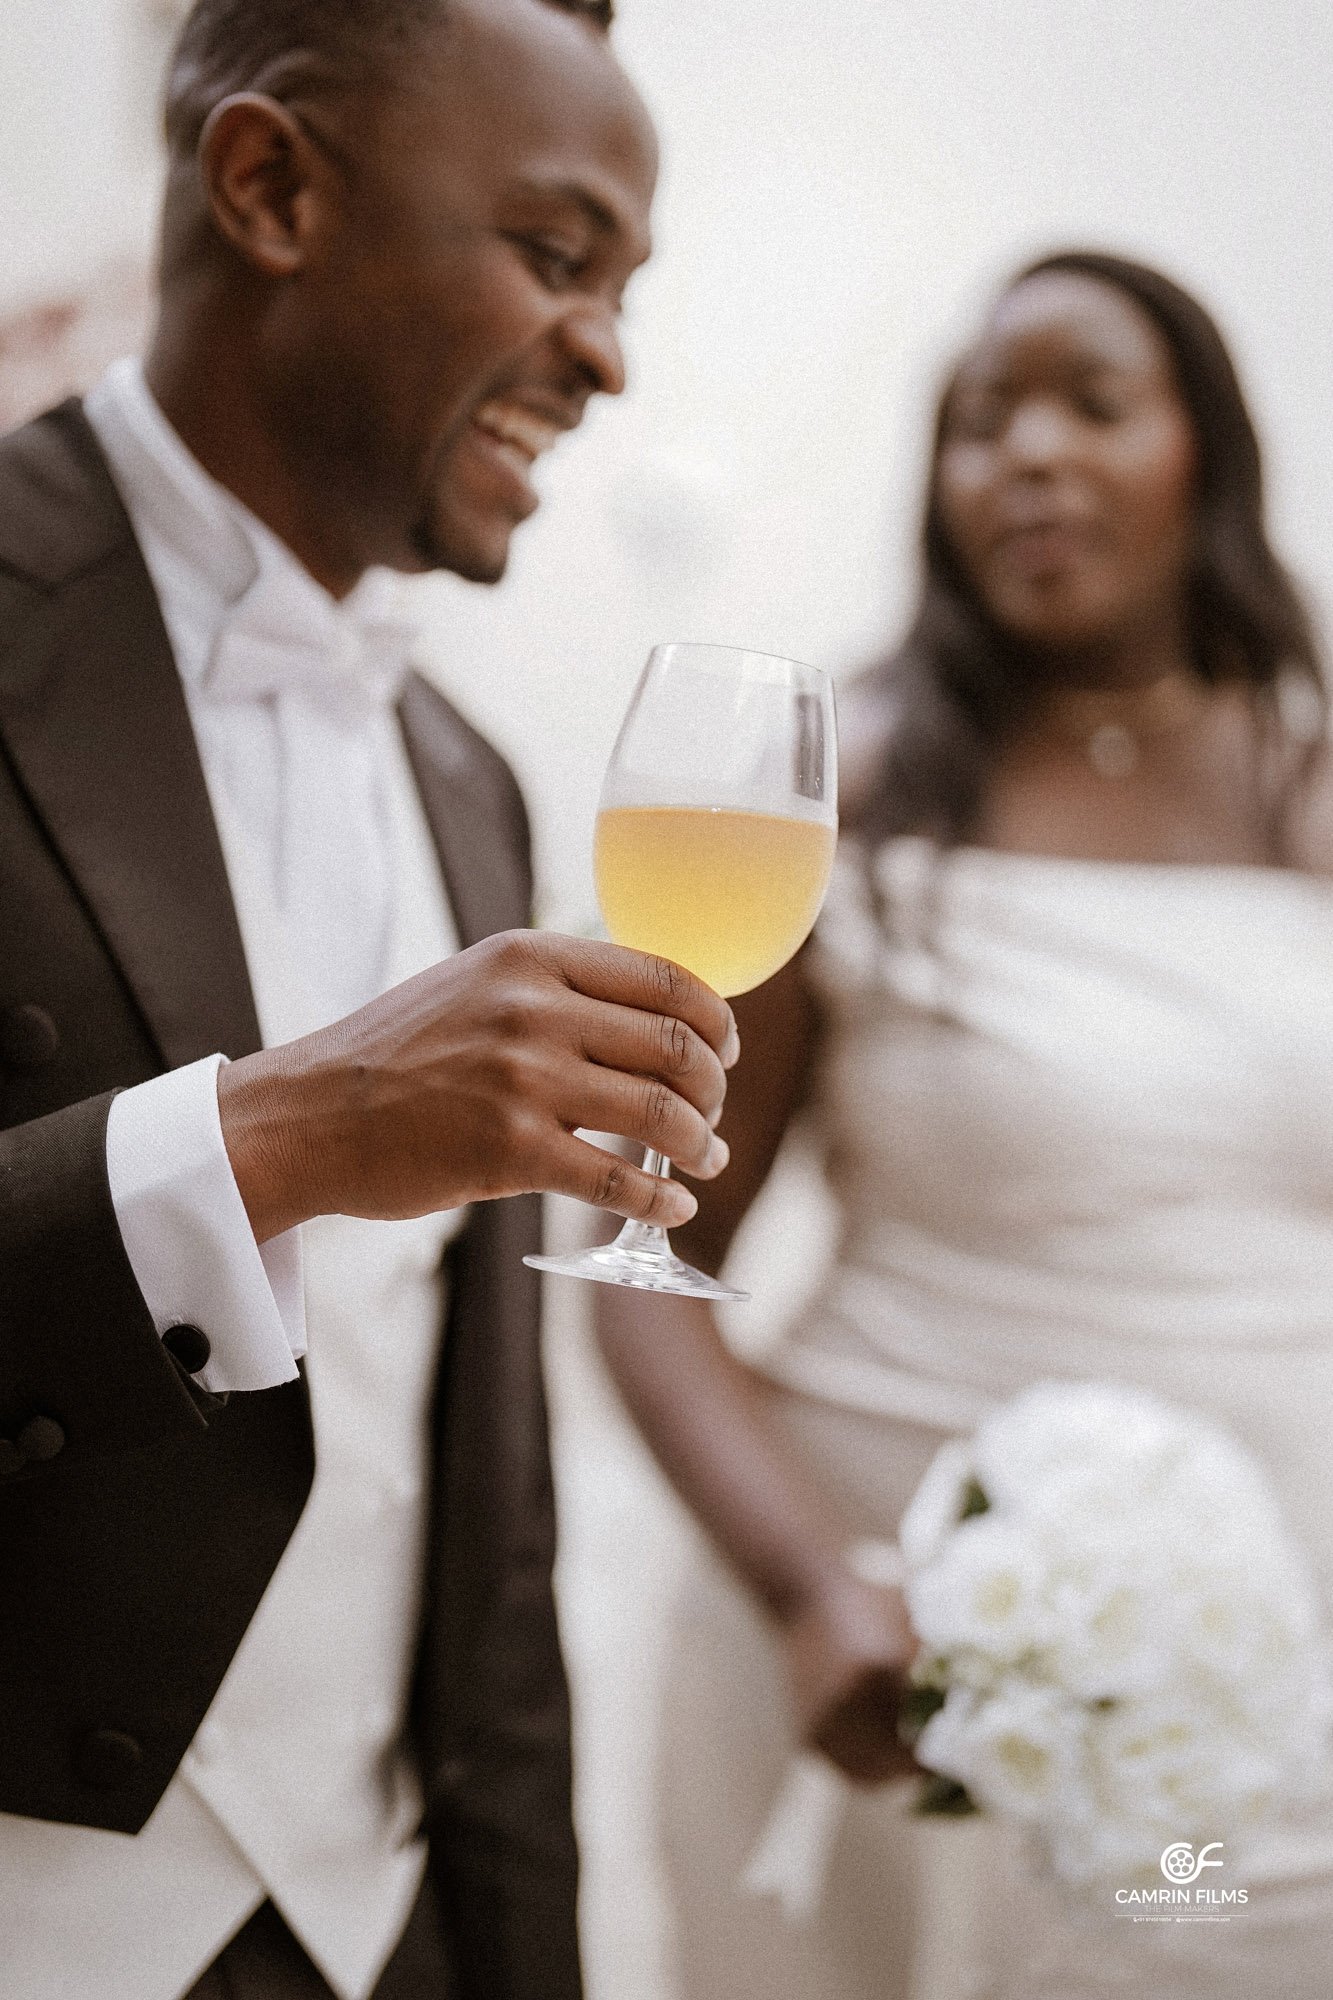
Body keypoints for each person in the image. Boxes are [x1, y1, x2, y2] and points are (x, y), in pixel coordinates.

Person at [0, 4, 743, 1997]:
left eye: (623, 288)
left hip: (383, 1928)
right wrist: (279, 1137)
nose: (606, 355)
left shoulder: (472, 782)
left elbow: (486, 1521)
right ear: (271, 189)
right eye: (557, 253)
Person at [597, 251, 1333, 1999]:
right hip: (879, 1662)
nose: (1027, 454)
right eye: (980, 420)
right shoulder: (839, 794)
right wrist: (806, 1595)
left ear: (1206, 453)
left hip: (1263, 1658)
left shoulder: (1312, 785)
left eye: (1092, 401)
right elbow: (641, 1266)